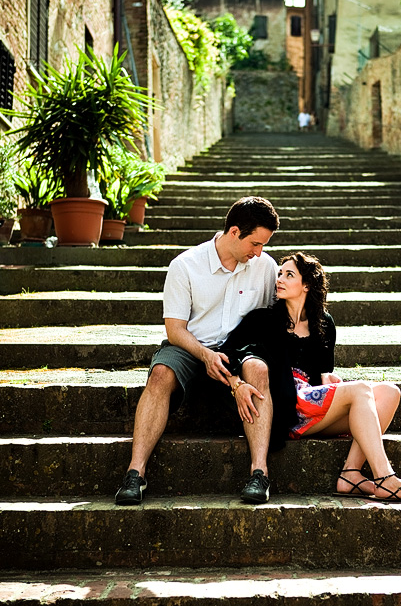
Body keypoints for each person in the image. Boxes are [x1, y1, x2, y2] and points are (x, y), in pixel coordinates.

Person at [223, 252, 401, 502]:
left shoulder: (324, 323)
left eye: (289, 275)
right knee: (361, 389)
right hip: (285, 406)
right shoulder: (263, 319)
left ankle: (350, 474)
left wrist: (330, 382)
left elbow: (323, 373)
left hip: (312, 406)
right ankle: (384, 476)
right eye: (280, 273)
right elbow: (226, 353)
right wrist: (237, 384)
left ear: (306, 285)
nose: (279, 279)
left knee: (390, 392)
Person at [115, 196, 280, 506]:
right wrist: (205, 355)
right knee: (161, 373)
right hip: (191, 345)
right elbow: (175, 330)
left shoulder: (266, 266)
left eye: (263, 245)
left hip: (241, 350)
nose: (259, 253)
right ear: (234, 232)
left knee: (258, 369)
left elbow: (281, 315)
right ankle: (135, 473)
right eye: (255, 244)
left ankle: (260, 473)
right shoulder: (185, 265)